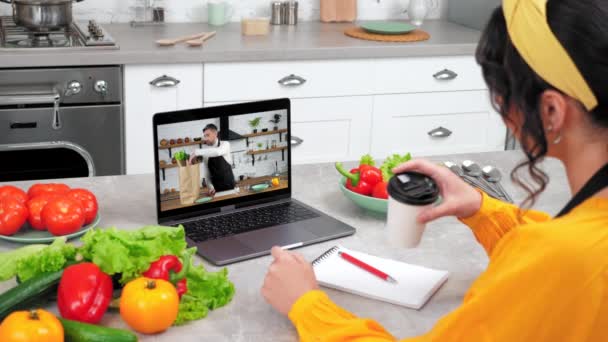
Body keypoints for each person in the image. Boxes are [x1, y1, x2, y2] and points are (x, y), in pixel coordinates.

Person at [261, 0, 608, 340]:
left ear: (551, 110)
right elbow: (560, 262)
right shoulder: (577, 247)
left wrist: (306, 304)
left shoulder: (565, 260)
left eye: (502, 94)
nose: (502, 109)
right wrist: (482, 208)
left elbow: (558, 265)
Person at [189, 124, 236, 196]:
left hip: (230, 190)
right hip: (216, 192)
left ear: (215, 134)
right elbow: (207, 174)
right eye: (204, 136)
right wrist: (211, 187)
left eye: (207, 135)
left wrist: (196, 152)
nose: (205, 138)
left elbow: (218, 152)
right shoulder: (206, 152)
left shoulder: (225, 144)